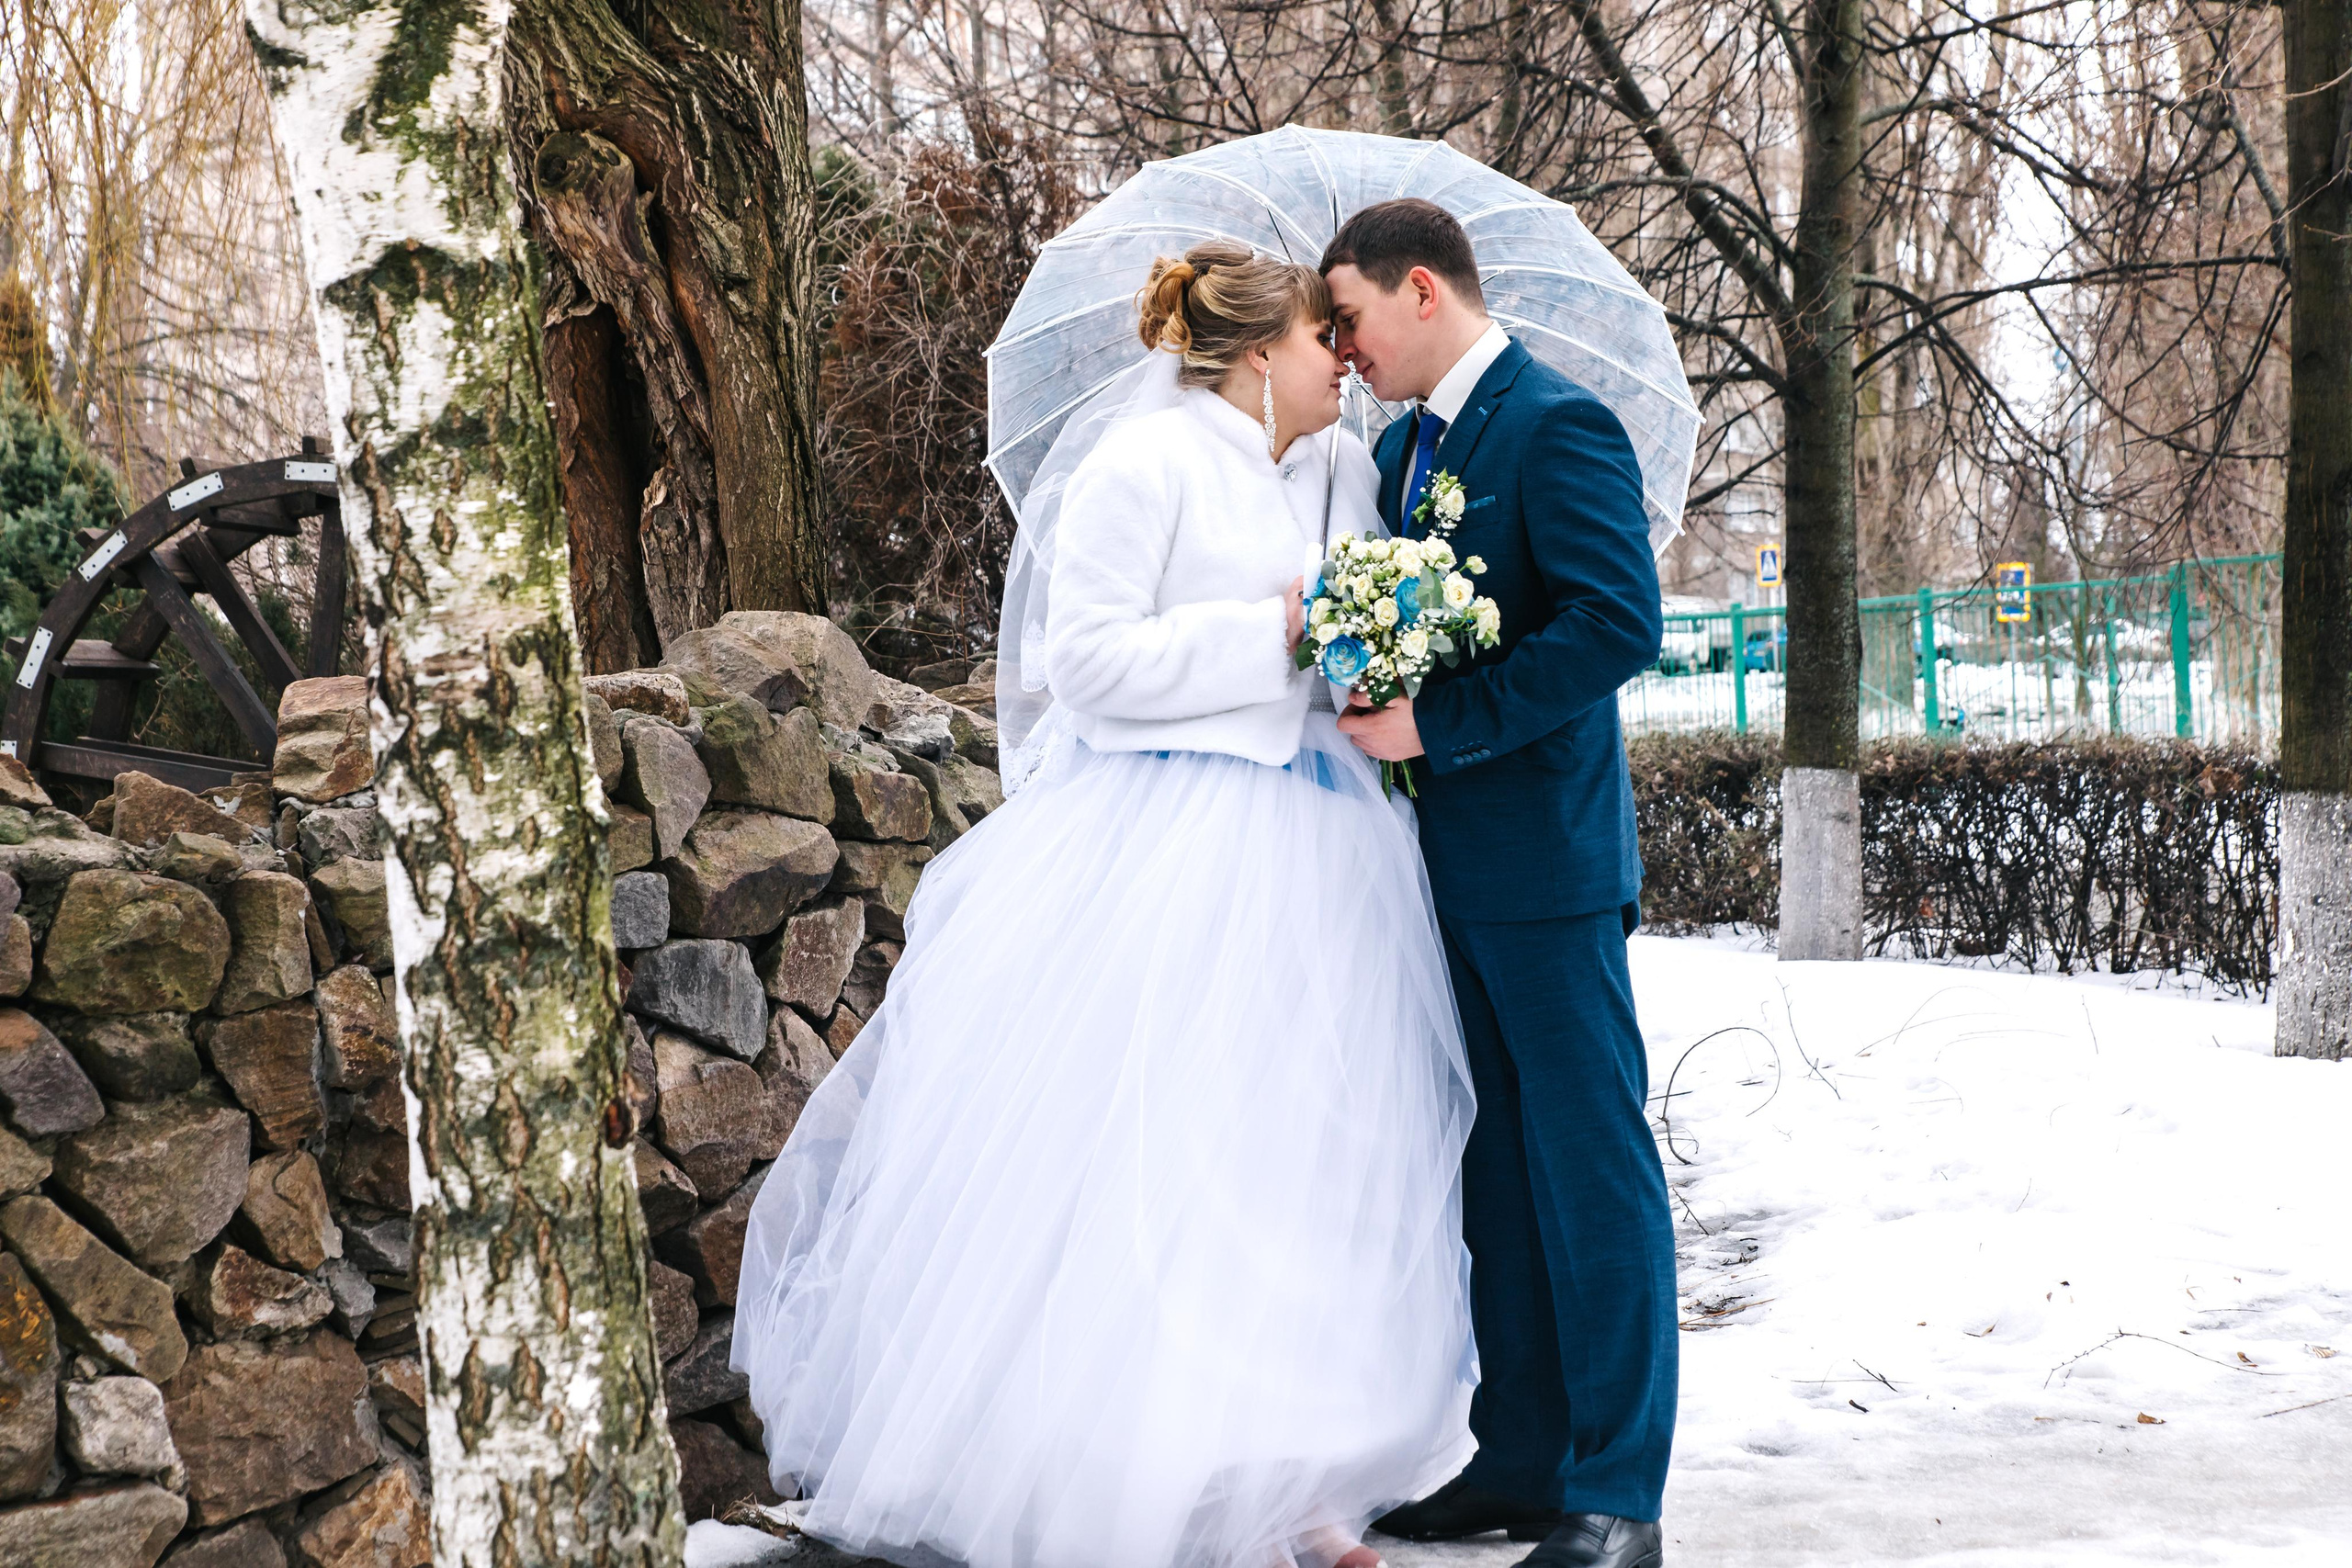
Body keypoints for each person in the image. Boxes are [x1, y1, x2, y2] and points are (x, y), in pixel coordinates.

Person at [730, 239, 1478, 1568]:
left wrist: (1374, 649)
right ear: (1259, 355)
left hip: (1327, 856)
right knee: (1169, 1161)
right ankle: (1143, 1474)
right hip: (1173, 846)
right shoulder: (1146, 466)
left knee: (1307, 1165)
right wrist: (1278, 635)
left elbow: (1359, 630)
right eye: (1324, 344)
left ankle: (1295, 1487)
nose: (1344, 367)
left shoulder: (1345, 474)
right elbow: (1085, 666)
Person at [1321, 199, 1676, 1568]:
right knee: (1498, 1166)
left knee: (1589, 1161)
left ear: (1422, 291)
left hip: (1548, 862)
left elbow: (1615, 624)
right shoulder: (1407, 450)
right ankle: (1521, 1455)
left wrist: (1439, 724)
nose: (1342, 349)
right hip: (1442, 867)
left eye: (1348, 317)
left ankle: (1617, 1493)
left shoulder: (1554, 423)